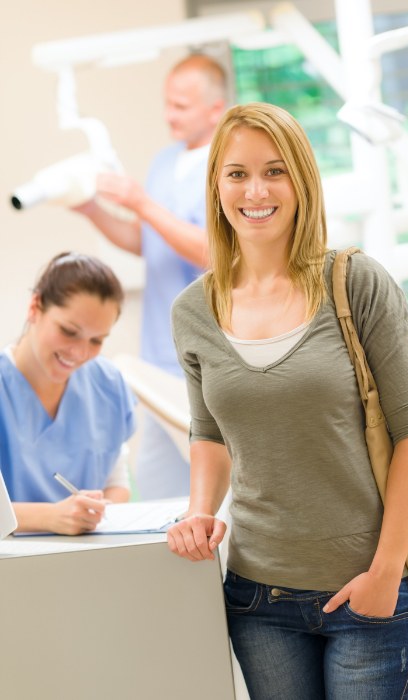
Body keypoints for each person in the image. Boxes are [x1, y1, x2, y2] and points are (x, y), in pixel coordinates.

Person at [167, 103, 408, 699]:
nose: (255, 190)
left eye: (275, 170)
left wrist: (386, 573)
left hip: (369, 592)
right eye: (236, 173)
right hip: (257, 597)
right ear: (217, 186)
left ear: (303, 181)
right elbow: (209, 431)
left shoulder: (356, 282)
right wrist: (198, 509)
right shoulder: (192, 310)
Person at [73, 53, 228, 501]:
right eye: (167, 103)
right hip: (158, 356)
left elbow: (214, 252)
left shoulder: (226, 165)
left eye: (180, 106)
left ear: (214, 109)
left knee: (216, 495)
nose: (168, 115)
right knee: (159, 492)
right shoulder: (164, 161)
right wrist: (91, 209)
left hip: (209, 358)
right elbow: (148, 242)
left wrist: (140, 203)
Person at [0, 252, 136, 535]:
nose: (80, 352)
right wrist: (49, 517)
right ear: (35, 307)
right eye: (69, 331)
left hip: (86, 559)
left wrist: (99, 511)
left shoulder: (107, 384)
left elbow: (117, 478)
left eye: (96, 340)